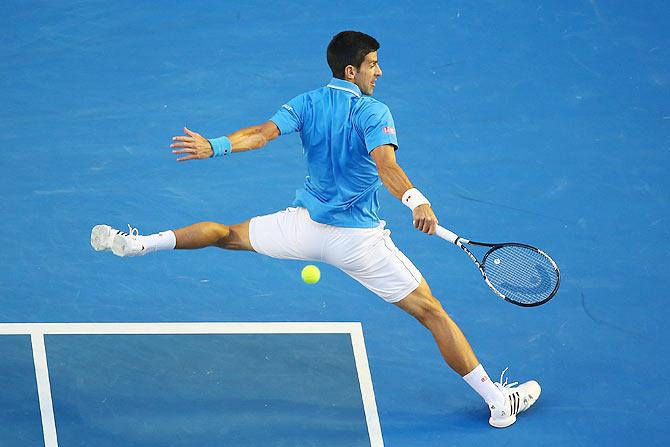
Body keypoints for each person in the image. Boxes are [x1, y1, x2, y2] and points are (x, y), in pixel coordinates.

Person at [91, 30, 540, 428]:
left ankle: (139, 244)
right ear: (352, 69)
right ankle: (499, 402)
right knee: (432, 313)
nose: (379, 72)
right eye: (373, 64)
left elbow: (262, 134)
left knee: (227, 234)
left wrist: (216, 146)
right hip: (358, 243)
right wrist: (415, 200)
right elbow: (387, 164)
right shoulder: (373, 111)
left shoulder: (305, 102)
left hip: (301, 228)